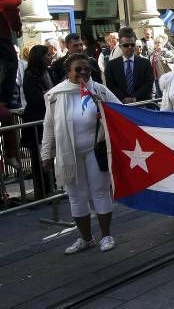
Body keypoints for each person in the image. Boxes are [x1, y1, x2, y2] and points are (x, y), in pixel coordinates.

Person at [41, 53, 121, 254]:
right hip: (69, 153)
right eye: (78, 69)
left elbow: (120, 112)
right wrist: (46, 154)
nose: (83, 73)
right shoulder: (55, 95)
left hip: (95, 150)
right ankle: (86, 238)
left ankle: (106, 236)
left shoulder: (99, 90)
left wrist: (104, 114)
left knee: (100, 192)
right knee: (76, 196)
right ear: (68, 72)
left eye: (87, 69)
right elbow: (48, 126)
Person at [21, 45, 55, 198]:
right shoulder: (30, 75)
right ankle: (42, 190)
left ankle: (51, 187)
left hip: (48, 119)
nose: (51, 57)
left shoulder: (47, 72)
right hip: (36, 122)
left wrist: (48, 94)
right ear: (39, 57)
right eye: (48, 55)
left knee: (49, 155)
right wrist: (49, 95)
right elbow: (35, 99)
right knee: (38, 157)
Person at [104, 30, 154, 104]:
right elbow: (111, 85)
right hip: (121, 104)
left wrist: (134, 98)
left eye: (132, 45)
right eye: (126, 45)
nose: (130, 47)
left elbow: (148, 83)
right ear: (120, 46)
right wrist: (124, 98)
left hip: (141, 104)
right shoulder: (111, 65)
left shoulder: (145, 63)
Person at [0, 0, 25, 108]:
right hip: (1, 31)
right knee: (11, 63)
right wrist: (16, 26)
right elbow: (10, 4)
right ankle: (4, 100)